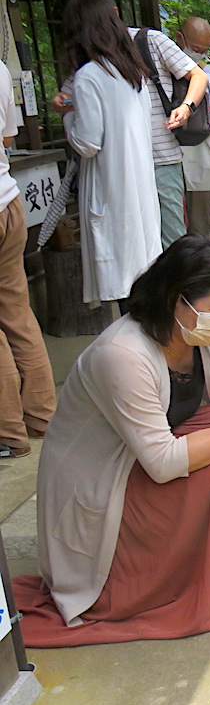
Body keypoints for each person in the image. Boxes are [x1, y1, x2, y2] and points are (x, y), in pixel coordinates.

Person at [12, 236, 210, 646]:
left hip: (146, 474)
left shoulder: (201, 337)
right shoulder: (121, 353)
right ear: (176, 300)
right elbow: (164, 461)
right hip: (106, 497)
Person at [53, 0, 209, 250]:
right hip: (118, 165)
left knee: (171, 238)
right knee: (133, 245)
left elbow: (198, 75)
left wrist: (186, 107)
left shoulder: (149, 40)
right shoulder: (89, 58)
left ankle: (178, 290)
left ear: (112, 12)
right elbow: (66, 96)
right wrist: (63, 102)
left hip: (160, 156)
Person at [61, 0, 162, 308]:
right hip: (139, 187)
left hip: (110, 187)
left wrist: (69, 116)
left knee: (122, 283)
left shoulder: (89, 76)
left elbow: (88, 143)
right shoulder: (133, 72)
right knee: (141, 276)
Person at [0, 64, 55, 459]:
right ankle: (40, 417)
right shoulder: (2, 69)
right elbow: (7, 135)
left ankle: (8, 433)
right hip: (8, 199)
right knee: (16, 313)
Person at [176, 16, 210, 237]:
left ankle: (201, 244)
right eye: (196, 48)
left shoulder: (208, 71)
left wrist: (209, 124)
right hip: (166, 148)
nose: (200, 54)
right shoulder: (159, 69)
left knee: (200, 209)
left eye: (204, 50)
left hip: (200, 147)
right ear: (179, 38)